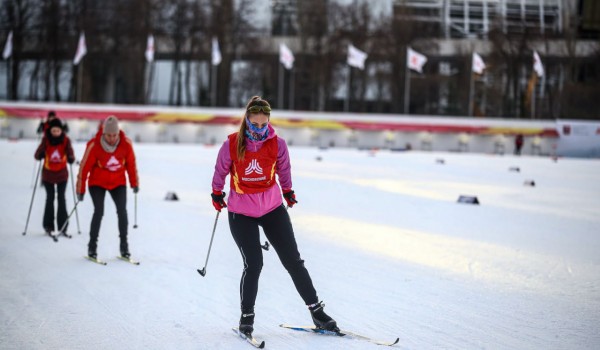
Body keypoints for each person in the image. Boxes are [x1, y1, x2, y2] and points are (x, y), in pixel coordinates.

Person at [210, 96, 337, 337]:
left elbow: (284, 169)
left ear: (268, 121)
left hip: (271, 208)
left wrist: (288, 190)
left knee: (293, 261)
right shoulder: (232, 144)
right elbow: (221, 170)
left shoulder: (278, 144)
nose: (259, 129)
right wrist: (216, 193)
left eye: (263, 124)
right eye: (254, 124)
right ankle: (247, 317)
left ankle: (317, 312)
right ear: (247, 121)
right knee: (254, 263)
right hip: (241, 212)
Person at [76, 116, 139, 260]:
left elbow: (131, 165)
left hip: (118, 182)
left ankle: (124, 247)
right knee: (99, 211)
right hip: (97, 182)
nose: (112, 138)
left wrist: (134, 183)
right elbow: (84, 168)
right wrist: (80, 189)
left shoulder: (126, 145)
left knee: (122, 211)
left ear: (118, 133)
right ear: (104, 133)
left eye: (114, 135)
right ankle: (92, 247)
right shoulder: (94, 145)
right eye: (109, 135)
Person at [34, 118, 75, 237]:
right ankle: (48, 225)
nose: (56, 132)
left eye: (58, 130)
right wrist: (40, 154)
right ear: (50, 130)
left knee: (61, 198)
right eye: (54, 130)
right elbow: (37, 155)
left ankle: (63, 225)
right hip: (48, 174)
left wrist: (71, 157)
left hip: (62, 174)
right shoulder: (46, 140)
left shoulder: (66, 140)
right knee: (50, 198)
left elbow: (70, 152)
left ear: (61, 130)